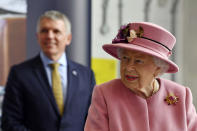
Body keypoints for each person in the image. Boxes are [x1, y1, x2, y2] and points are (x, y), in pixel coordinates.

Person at [85, 22, 197, 131]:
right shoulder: (105, 94)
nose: (128, 67)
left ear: (158, 68)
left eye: (138, 61)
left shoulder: (181, 96)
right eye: (125, 58)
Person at [1, 10, 95, 131]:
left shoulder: (86, 75)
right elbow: (9, 122)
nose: (50, 36)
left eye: (56, 31)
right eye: (44, 31)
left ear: (68, 38)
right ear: (37, 36)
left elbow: (93, 120)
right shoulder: (20, 74)